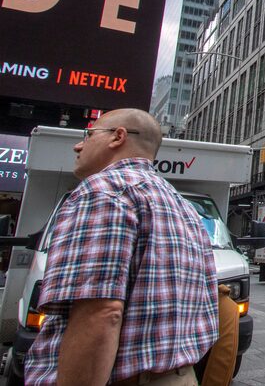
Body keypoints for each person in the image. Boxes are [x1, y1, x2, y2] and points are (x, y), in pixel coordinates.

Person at [26, 109, 218, 386]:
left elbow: (101, 314)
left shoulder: (103, 192)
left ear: (118, 137)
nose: (78, 145)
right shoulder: (184, 208)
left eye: (89, 134)